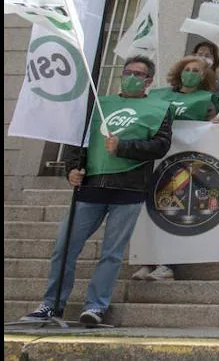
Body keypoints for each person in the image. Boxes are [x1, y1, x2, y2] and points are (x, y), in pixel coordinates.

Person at [22, 56, 173, 327]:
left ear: (149, 80)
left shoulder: (159, 108)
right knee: (65, 247)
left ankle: (96, 306)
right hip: (91, 187)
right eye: (128, 72)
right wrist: (72, 167)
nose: (132, 77)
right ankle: (52, 304)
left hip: (129, 189)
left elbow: (160, 146)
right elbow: (76, 138)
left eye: (139, 74)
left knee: (112, 253)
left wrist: (123, 147)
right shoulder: (98, 105)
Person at [133, 55, 219, 281]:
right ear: (179, 71)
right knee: (149, 209)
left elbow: (214, 124)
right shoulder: (159, 95)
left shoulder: (206, 99)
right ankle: (146, 260)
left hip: (182, 163)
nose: (190, 73)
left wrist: (215, 126)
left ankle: (167, 263)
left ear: (204, 76)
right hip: (153, 159)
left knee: (173, 210)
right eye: (187, 69)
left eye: (196, 70)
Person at [193, 40, 219, 118]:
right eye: (200, 54)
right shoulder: (187, 77)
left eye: (207, 56)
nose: (203, 58)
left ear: (214, 60)